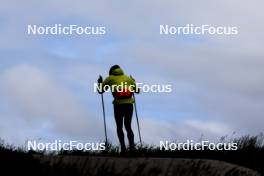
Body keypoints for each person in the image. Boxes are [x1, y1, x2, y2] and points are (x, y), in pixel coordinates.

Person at [97, 65, 139, 154]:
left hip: (118, 105)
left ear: (111, 72)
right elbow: (138, 91)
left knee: (119, 127)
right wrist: (134, 81)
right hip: (129, 104)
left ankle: (123, 149)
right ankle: (132, 148)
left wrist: (100, 83)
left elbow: (100, 91)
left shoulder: (110, 78)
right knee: (128, 126)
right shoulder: (128, 78)